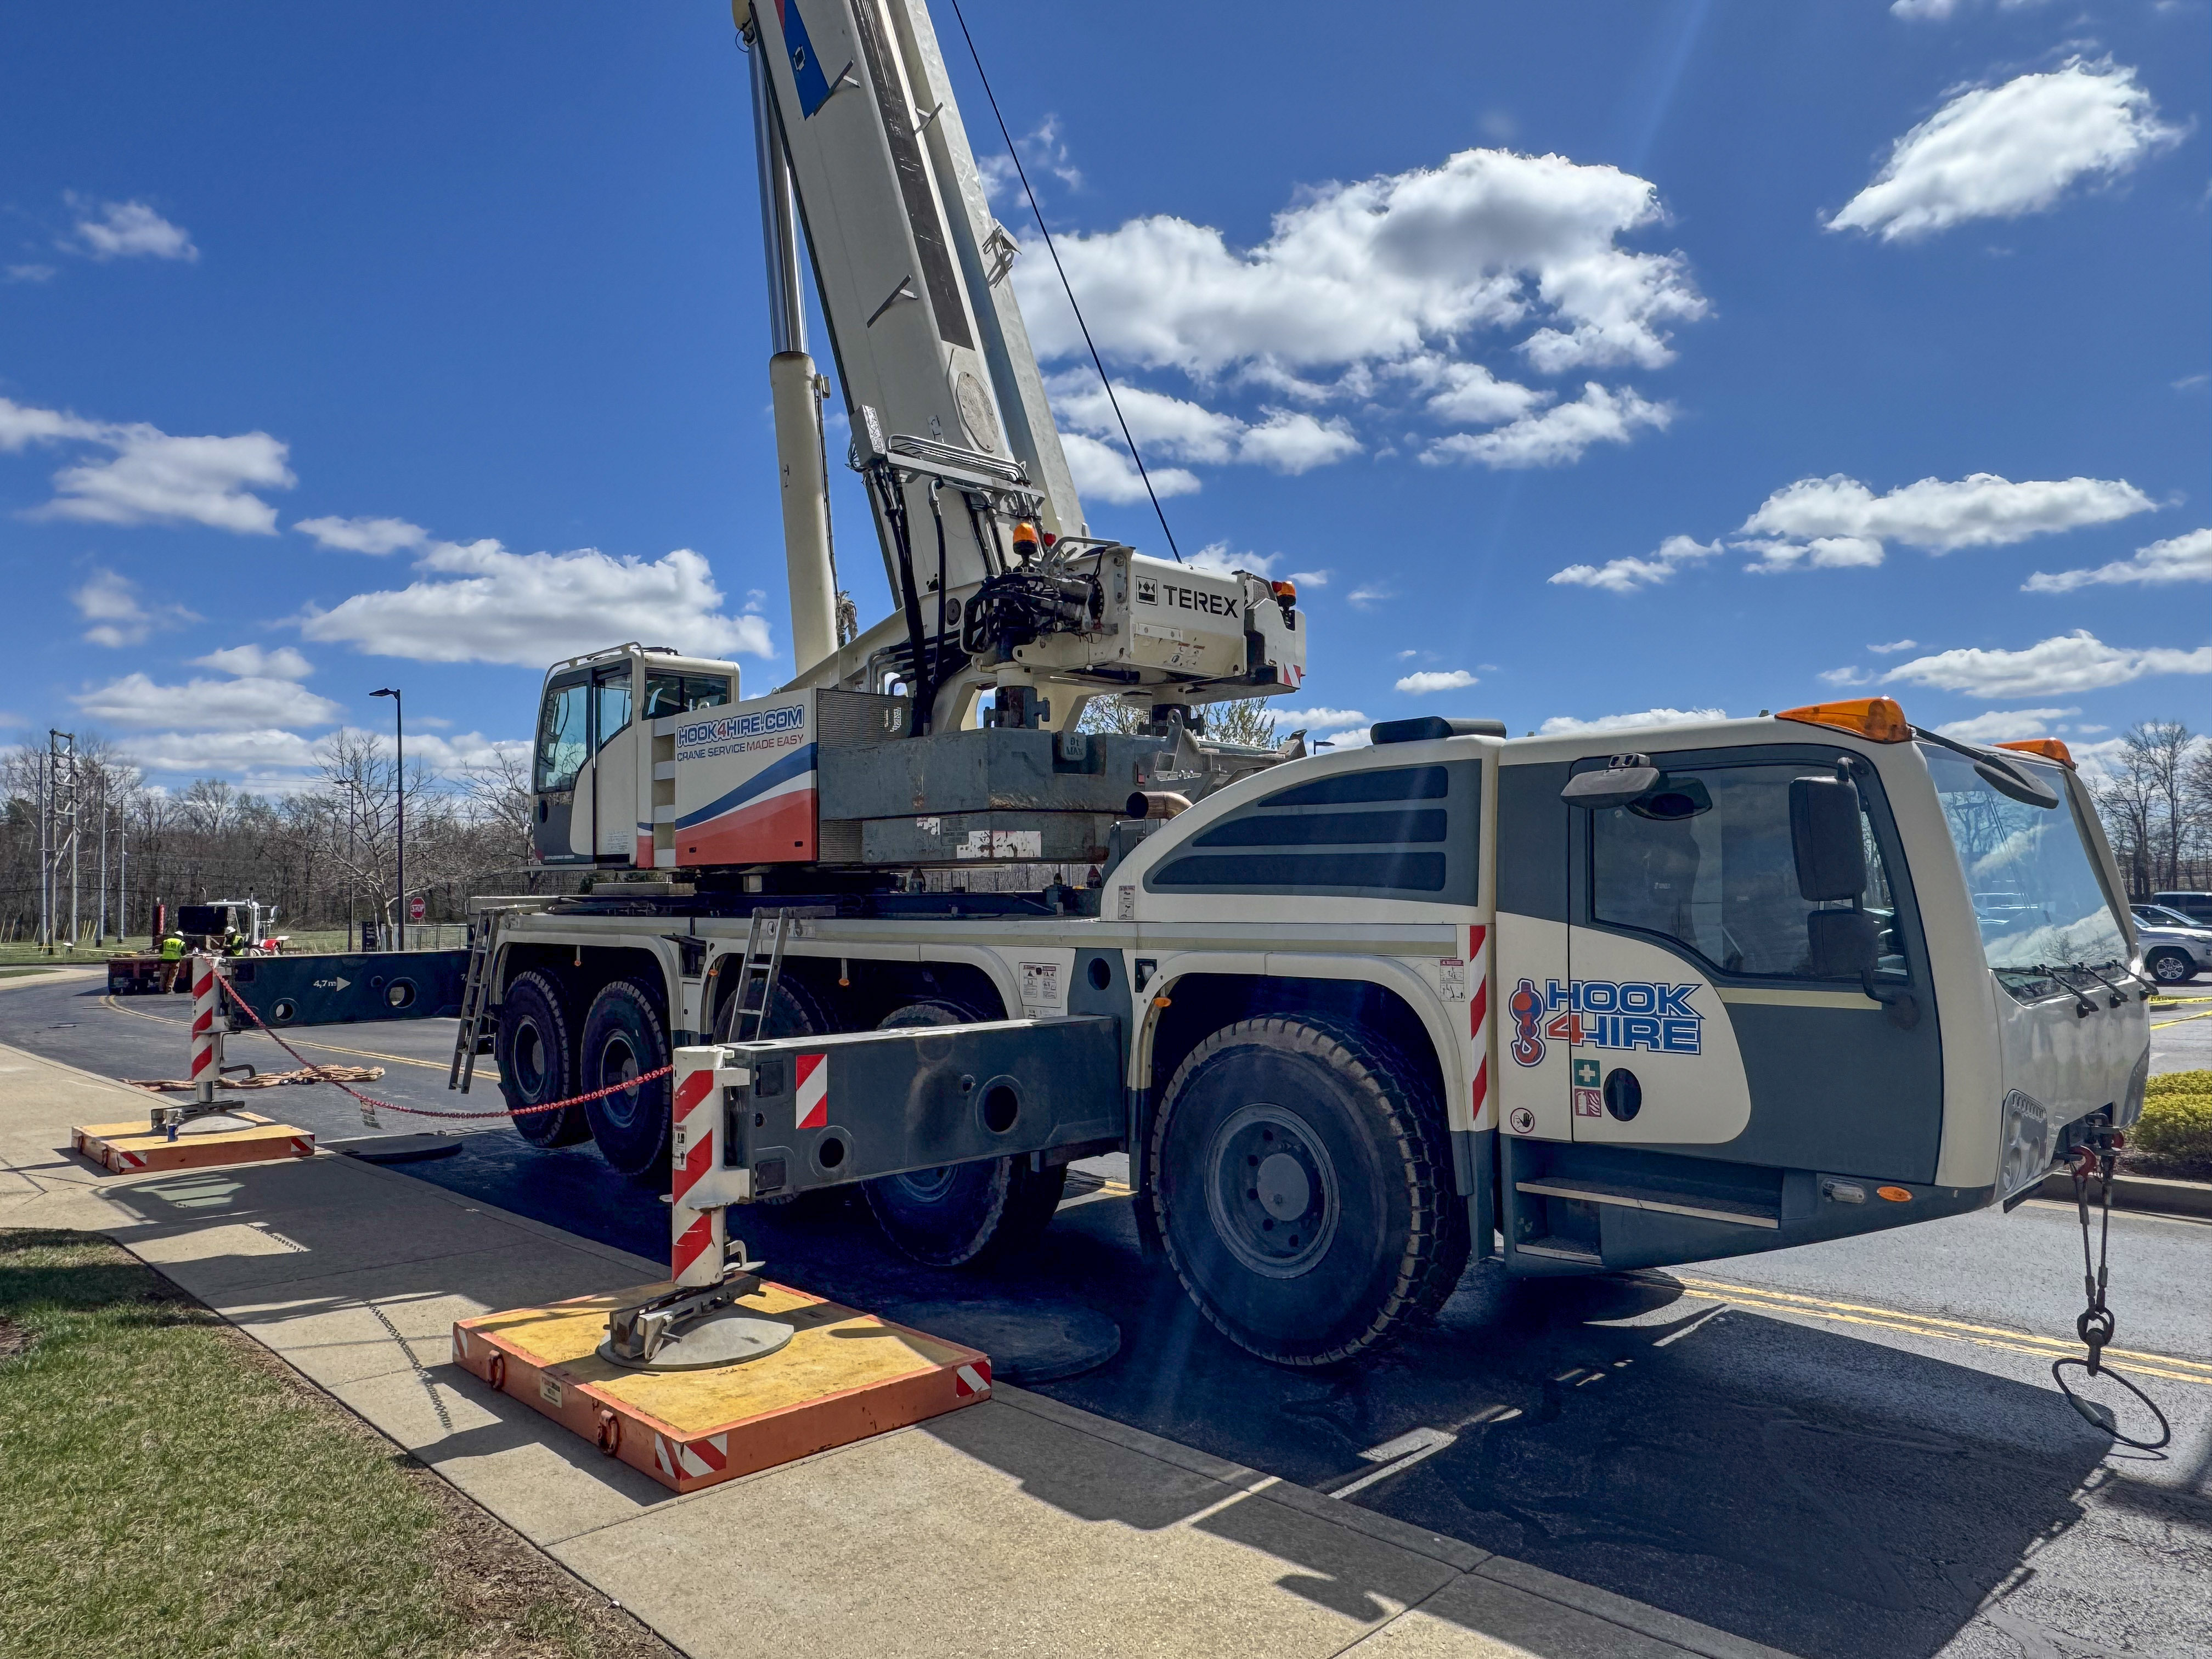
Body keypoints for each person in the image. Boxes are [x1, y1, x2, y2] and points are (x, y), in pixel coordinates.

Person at [157, 929, 187, 994]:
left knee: (163, 975)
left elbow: (161, 951)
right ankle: (169, 988)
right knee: (173, 975)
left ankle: (161, 988)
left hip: (165, 960)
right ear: (181, 937)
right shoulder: (181, 943)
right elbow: (184, 953)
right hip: (175, 961)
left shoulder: (166, 941)